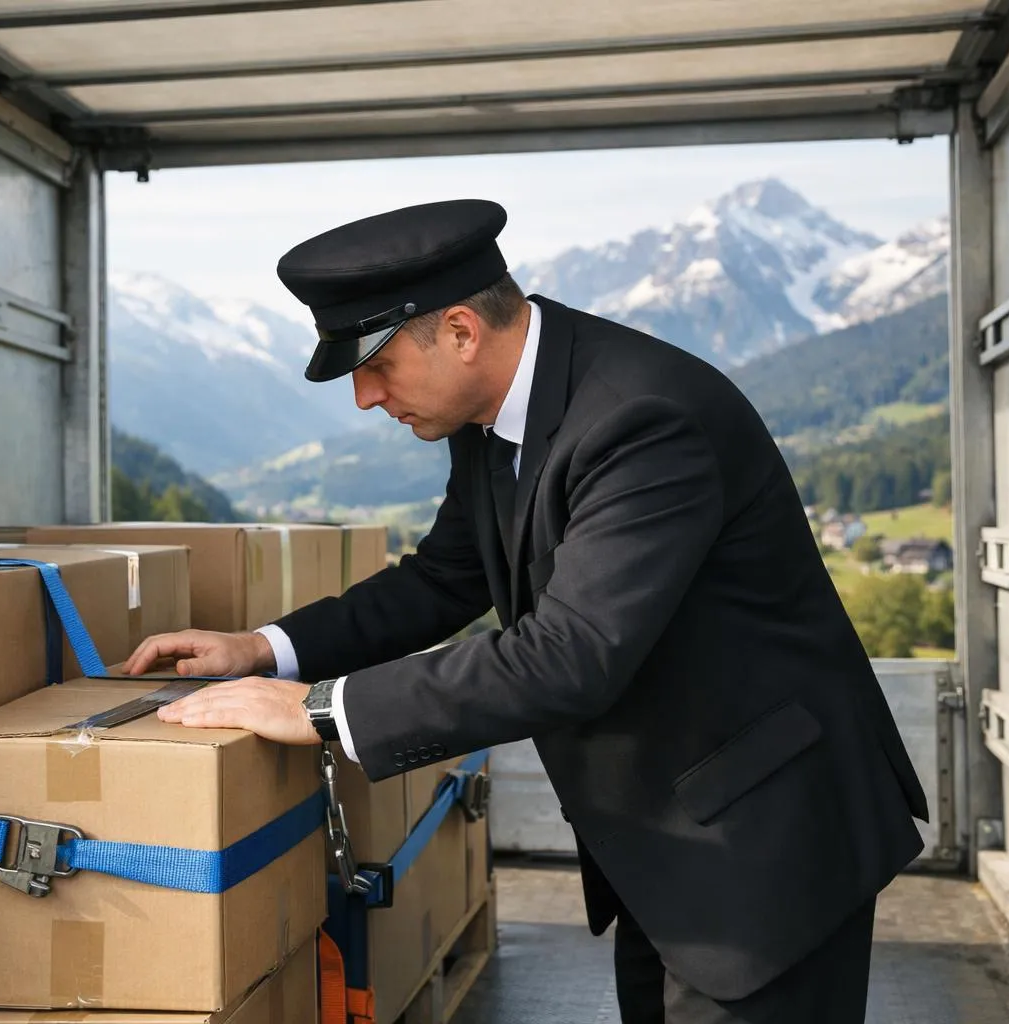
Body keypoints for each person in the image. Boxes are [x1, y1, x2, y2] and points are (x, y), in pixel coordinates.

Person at [125, 199, 928, 1023]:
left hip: (762, 843)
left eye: (376, 364)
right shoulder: (491, 420)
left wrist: (323, 710)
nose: (365, 397)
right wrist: (263, 650)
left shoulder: (640, 419)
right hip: (671, 842)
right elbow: (444, 578)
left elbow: (571, 654)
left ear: (464, 332)